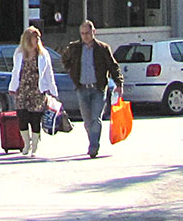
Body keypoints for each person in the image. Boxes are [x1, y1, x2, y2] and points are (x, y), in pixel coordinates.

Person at [61, 20, 124, 158]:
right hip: (82, 88)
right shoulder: (75, 48)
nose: (85, 36)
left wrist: (119, 83)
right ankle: (92, 141)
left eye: (88, 33)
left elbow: (113, 66)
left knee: (96, 118)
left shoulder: (102, 48)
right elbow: (65, 59)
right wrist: (72, 72)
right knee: (87, 120)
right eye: (82, 34)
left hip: (98, 89)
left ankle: (94, 146)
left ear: (93, 32)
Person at [8, 26, 58, 157]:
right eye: (35, 37)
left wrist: (53, 91)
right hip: (22, 90)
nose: (38, 40)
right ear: (27, 39)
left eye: (38, 37)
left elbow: (49, 73)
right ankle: (26, 143)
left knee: (35, 119)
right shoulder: (19, 53)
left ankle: (35, 145)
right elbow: (15, 72)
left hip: (37, 90)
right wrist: (12, 87)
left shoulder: (43, 54)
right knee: (22, 118)